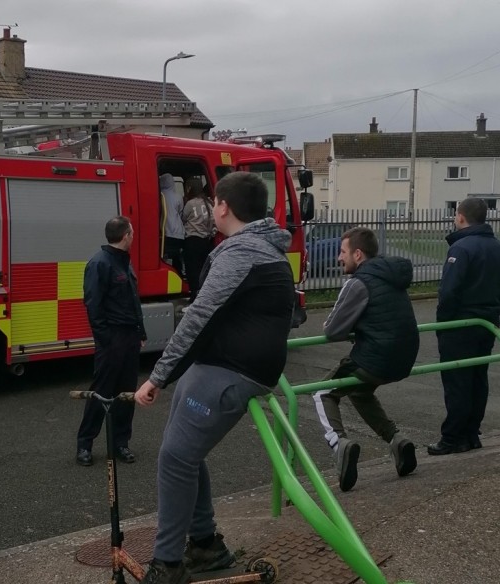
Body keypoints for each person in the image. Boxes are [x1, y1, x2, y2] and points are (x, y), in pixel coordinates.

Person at [134, 172, 295, 584]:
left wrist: (158, 376)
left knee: (175, 457)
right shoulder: (263, 249)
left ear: (222, 207)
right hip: (222, 365)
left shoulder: (242, 253)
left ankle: (167, 565)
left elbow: (199, 316)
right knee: (184, 453)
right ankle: (205, 545)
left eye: (214, 203)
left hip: (232, 370)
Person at [313, 227, 420, 492]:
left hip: (376, 358)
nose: (339, 258)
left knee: (322, 393)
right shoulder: (390, 276)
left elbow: (332, 330)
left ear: (358, 254)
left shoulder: (358, 282)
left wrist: (348, 326)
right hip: (404, 357)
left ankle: (340, 445)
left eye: (343, 252)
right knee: (360, 393)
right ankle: (397, 440)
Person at [428, 198, 500, 455]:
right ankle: (471, 433)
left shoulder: (461, 249)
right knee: (477, 378)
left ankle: (453, 437)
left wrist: (444, 323)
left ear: (460, 217)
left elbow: (449, 292)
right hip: (487, 323)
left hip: (460, 324)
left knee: (457, 381)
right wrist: (492, 312)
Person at [76, 216, 147, 466]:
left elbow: (132, 300)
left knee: (126, 394)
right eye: (133, 233)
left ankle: (120, 443)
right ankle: (85, 444)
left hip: (129, 337)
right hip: (111, 339)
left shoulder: (124, 262)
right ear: (126, 235)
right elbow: (93, 305)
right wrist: (105, 340)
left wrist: (141, 333)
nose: (134, 236)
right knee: (102, 393)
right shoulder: (99, 264)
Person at [182, 177, 215, 301]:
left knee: (192, 269)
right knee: (203, 269)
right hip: (206, 241)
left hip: (192, 240)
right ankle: (203, 294)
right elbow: (214, 222)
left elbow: (184, 218)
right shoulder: (209, 203)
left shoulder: (190, 204)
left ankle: (194, 294)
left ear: (190, 188)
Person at [159, 173, 185, 274]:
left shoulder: (160, 194)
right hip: (178, 232)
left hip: (165, 231)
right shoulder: (178, 196)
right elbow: (180, 212)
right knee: (176, 257)